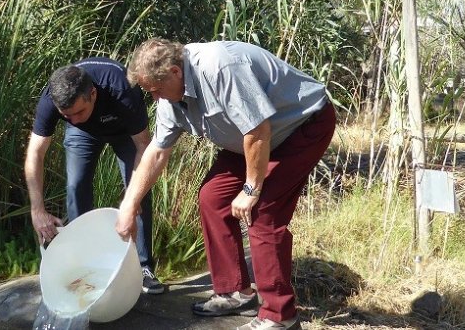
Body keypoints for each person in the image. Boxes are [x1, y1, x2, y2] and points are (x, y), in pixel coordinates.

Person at [116, 39, 335, 330]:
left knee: (262, 212)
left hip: (300, 126)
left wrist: (251, 189)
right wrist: (130, 204)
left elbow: (258, 130)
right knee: (212, 198)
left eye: (155, 91)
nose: (155, 98)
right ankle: (235, 292)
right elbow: (157, 152)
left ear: (174, 72)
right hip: (249, 140)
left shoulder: (220, 67)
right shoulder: (170, 94)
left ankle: (280, 316)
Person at [24, 57, 165, 294]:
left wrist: (131, 199)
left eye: (79, 111)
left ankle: (143, 268)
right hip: (83, 136)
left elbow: (144, 146)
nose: (73, 119)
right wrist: (37, 210)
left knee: (139, 192)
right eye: (66, 115)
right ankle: (84, 268)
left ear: (93, 94)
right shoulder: (52, 99)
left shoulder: (122, 87)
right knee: (76, 186)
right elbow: (35, 154)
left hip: (124, 133)